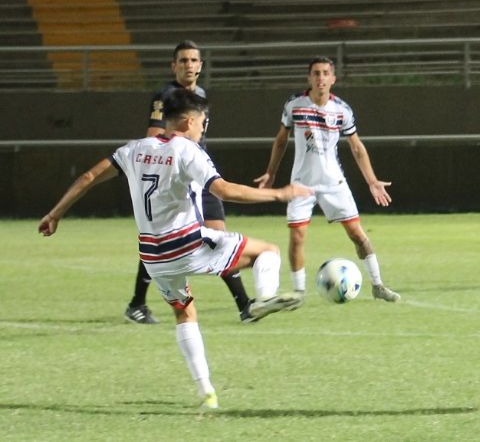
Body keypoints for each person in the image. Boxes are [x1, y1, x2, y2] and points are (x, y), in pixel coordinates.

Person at [38, 89, 313, 409]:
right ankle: (259, 302)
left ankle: (206, 393)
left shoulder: (133, 149)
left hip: (153, 257)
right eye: (203, 123)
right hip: (187, 243)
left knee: (185, 311)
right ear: (187, 121)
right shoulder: (187, 150)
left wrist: (55, 213)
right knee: (268, 252)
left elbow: (88, 176)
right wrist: (280, 194)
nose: (203, 129)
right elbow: (223, 191)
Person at [125, 40, 255, 325]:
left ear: (200, 65)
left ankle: (245, 305)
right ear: (174, 66)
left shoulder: (201, 94)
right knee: (162, 241)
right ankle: (136, 304)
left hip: (201, 176)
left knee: (218, 234)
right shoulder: (166, 96)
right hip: (175, 177)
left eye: (193, 60)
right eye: (183, 60)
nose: (189, 65)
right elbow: (152, 135)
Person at [253, 56, 399, 302]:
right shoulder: (294, 105)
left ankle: (378, 284)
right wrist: (271, 172)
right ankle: (299, 292)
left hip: (333, 182)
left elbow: (356, 147)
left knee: (357, 233)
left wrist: (372, 180)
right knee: (297, 236)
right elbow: (280, 140)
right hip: (301, 184)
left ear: (333, 79)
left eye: (325, 73)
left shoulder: (342, 109)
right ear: (309, 78)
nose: (320, 78)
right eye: (316, 73)